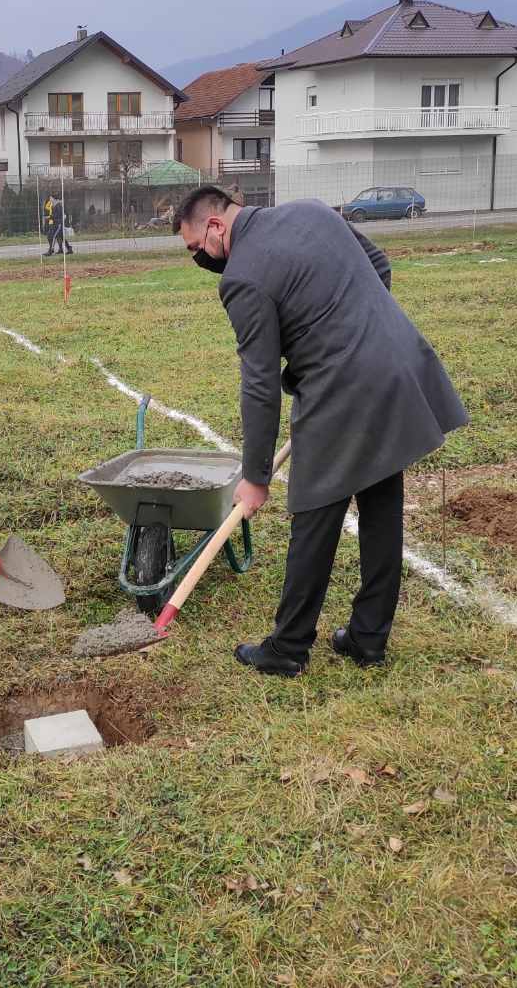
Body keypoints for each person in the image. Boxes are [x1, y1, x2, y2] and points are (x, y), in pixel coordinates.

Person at [173, 185, 468, 677]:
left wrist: (255, 475)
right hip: (395, 361)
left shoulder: (242, 278)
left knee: (314, 510)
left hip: (343, 386)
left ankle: (287, 648)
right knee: (380, 503)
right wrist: (355, 328)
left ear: (215, 227)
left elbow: (261, 384)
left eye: (195, 248)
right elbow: (380, 267)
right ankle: (368, 638)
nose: (198, 259)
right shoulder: (311, 211)